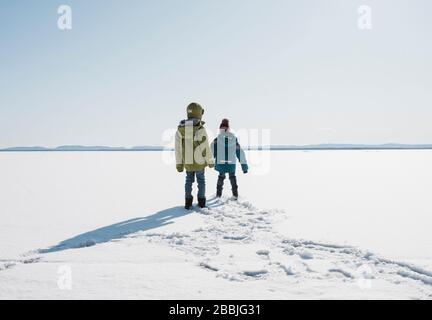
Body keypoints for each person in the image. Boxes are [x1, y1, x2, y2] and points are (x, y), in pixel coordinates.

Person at [175, 102, 214, 209]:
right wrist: (210, 161)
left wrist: (179, 164)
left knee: (188, 181)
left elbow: (178, 148)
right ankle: (201, 202)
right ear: (199, 114)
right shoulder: (200, 129)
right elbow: (205, 147)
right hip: (199, 162)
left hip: (187, 162)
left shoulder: (180, 129)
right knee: (201, 181)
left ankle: (188, 202)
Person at [211, 119, 248, 199]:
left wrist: (209, 162)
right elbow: (240, 153)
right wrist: (244, 166)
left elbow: (211, 152)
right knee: (232, 177)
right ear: (228, 129)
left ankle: (218, 195)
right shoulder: (234, 139)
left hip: (221, 163)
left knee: (221, 177)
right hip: (231, 163)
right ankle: (235, 195)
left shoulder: (217, 140)